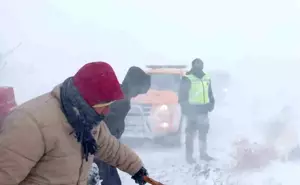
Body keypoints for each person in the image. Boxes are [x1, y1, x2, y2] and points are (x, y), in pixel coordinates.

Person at [0, 61, 148, 185]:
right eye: (105, 105)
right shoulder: (31, 123)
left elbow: (111, 148)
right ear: (88, 100)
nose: (108, 111)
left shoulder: (89, 120)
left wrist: (137, 168)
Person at [94, 66, 151, 185]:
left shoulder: (121, 100)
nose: (136, 95)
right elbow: (103, 138)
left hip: (104, 154)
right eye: (138, 91)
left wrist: (135, 169)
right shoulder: (117, 103)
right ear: (132, 85)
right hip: (99, 155)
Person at [178, 58, 215, 164]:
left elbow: (210, 93)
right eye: (197, 64)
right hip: (192, 111)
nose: (199, 66)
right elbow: (182, 96)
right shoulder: (187, 78)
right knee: (190, 134)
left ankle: (203, 154)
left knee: (203, 134)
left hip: (204, 110)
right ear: (193, 65)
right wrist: (186, 110)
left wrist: (211, 104)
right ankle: (189, 157)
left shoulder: (206, 77)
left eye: (200, 64)